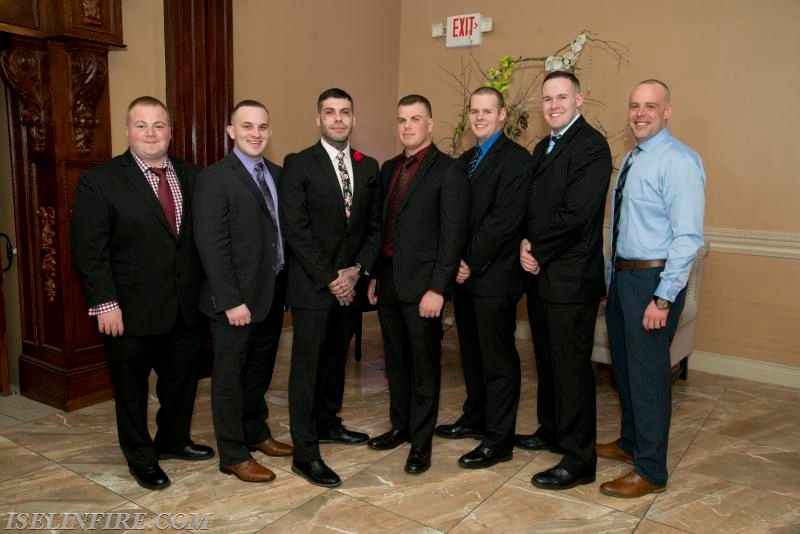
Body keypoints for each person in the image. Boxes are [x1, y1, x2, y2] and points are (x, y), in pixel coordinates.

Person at [70, 96, 213, 491]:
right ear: (127, 130)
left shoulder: (192, 175)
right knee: (131, 391)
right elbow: (89, 249)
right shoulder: (100, 181)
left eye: (159, 125)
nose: (151, 133)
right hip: (128, 311)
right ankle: (141, 457)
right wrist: (105, 303)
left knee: (181, 384)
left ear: (171, 130)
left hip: (185, 307)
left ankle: (173, 440)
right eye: (142, 125)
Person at [597, 79, 705, 498]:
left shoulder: (679, 161)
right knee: (623, 369)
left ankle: (651, 470)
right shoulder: (631, 158)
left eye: (650, 106)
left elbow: (687, 238)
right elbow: (624, 227)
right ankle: (630, 442)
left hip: (653, 281)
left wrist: (663, 296)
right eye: (634, 106)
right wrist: (612, 278)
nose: (640, 113)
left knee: (647, 378)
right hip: (624, 278)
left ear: (667, 112)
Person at [280, 88, 382, 487]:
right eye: (330, 112)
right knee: (306, 370)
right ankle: (305, 454)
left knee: (335, 361)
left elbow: (374, 227)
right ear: (317, 119)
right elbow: (296, 230)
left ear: (354, 119)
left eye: (344, 112)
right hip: (312, 286)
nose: (338, 119)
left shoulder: (368, 166)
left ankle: (328, 422)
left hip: (351, 285)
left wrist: (357, 271)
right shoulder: (298, 163)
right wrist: (330, 278)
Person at [517, 71, 612, 490]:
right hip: (540, 279)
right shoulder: (542, 147)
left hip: (571, 281)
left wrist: (537, 250)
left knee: (572, 368)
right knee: (548, 361)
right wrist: (523, 242)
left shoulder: (592, 146)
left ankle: (579, 457)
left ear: (580, 99)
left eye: (562, 97)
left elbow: (577, 214)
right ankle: (551, 430)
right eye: (547, 99)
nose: (553, 105)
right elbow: (531, 207)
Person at [193, 100, 294, 483]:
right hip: (234, 301)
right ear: (231, 131)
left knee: (258, 373)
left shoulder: (278, 175)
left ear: (269, 131)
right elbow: (211, 245)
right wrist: (231, 300)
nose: (255, 133)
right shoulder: (215, 178)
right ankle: (233, 453)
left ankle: (256, 432)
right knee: (230, 378)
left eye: (262, 126)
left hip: (270, 295)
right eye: (247, 126)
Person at [366, 95, 467, 474]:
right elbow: (381, 227)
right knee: (395, 361)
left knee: (424, 365)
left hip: (425, 287)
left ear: (430, 123)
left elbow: (452, 237)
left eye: (415, 119)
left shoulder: (449, 170)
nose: (408, 126)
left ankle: (421, 444)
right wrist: (375, 275)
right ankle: (401, 426)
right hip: (390, 280)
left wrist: (438, 289)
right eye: (402, 120)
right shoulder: (390, 167)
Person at [434, 87, 530, 469]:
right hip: (466, 278)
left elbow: (504, 221)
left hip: (495, 278)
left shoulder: (517, 160)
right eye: (474, 111)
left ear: (502, 115)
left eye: (487, 111)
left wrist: (468, 259)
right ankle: (475, 417)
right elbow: (454, 218)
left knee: (498, 360)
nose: (479, 117)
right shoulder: (466, 160)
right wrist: (456, 261)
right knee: (471, 355)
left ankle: (499, 439)